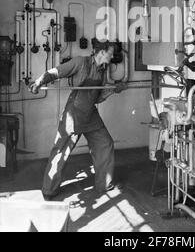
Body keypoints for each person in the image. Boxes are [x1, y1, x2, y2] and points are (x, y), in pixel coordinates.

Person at [29, 40, 128, 200]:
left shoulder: (103, 70)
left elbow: (97, 97)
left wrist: (112, 90)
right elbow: (56, 72)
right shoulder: (80, 62)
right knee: (60, 151)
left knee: (105, 143)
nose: (112, 56)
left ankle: (104, 183)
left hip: (90, 114)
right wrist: (39, 81)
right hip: (74, 112)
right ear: (101, 52)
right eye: (110, 53)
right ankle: (49, 190)